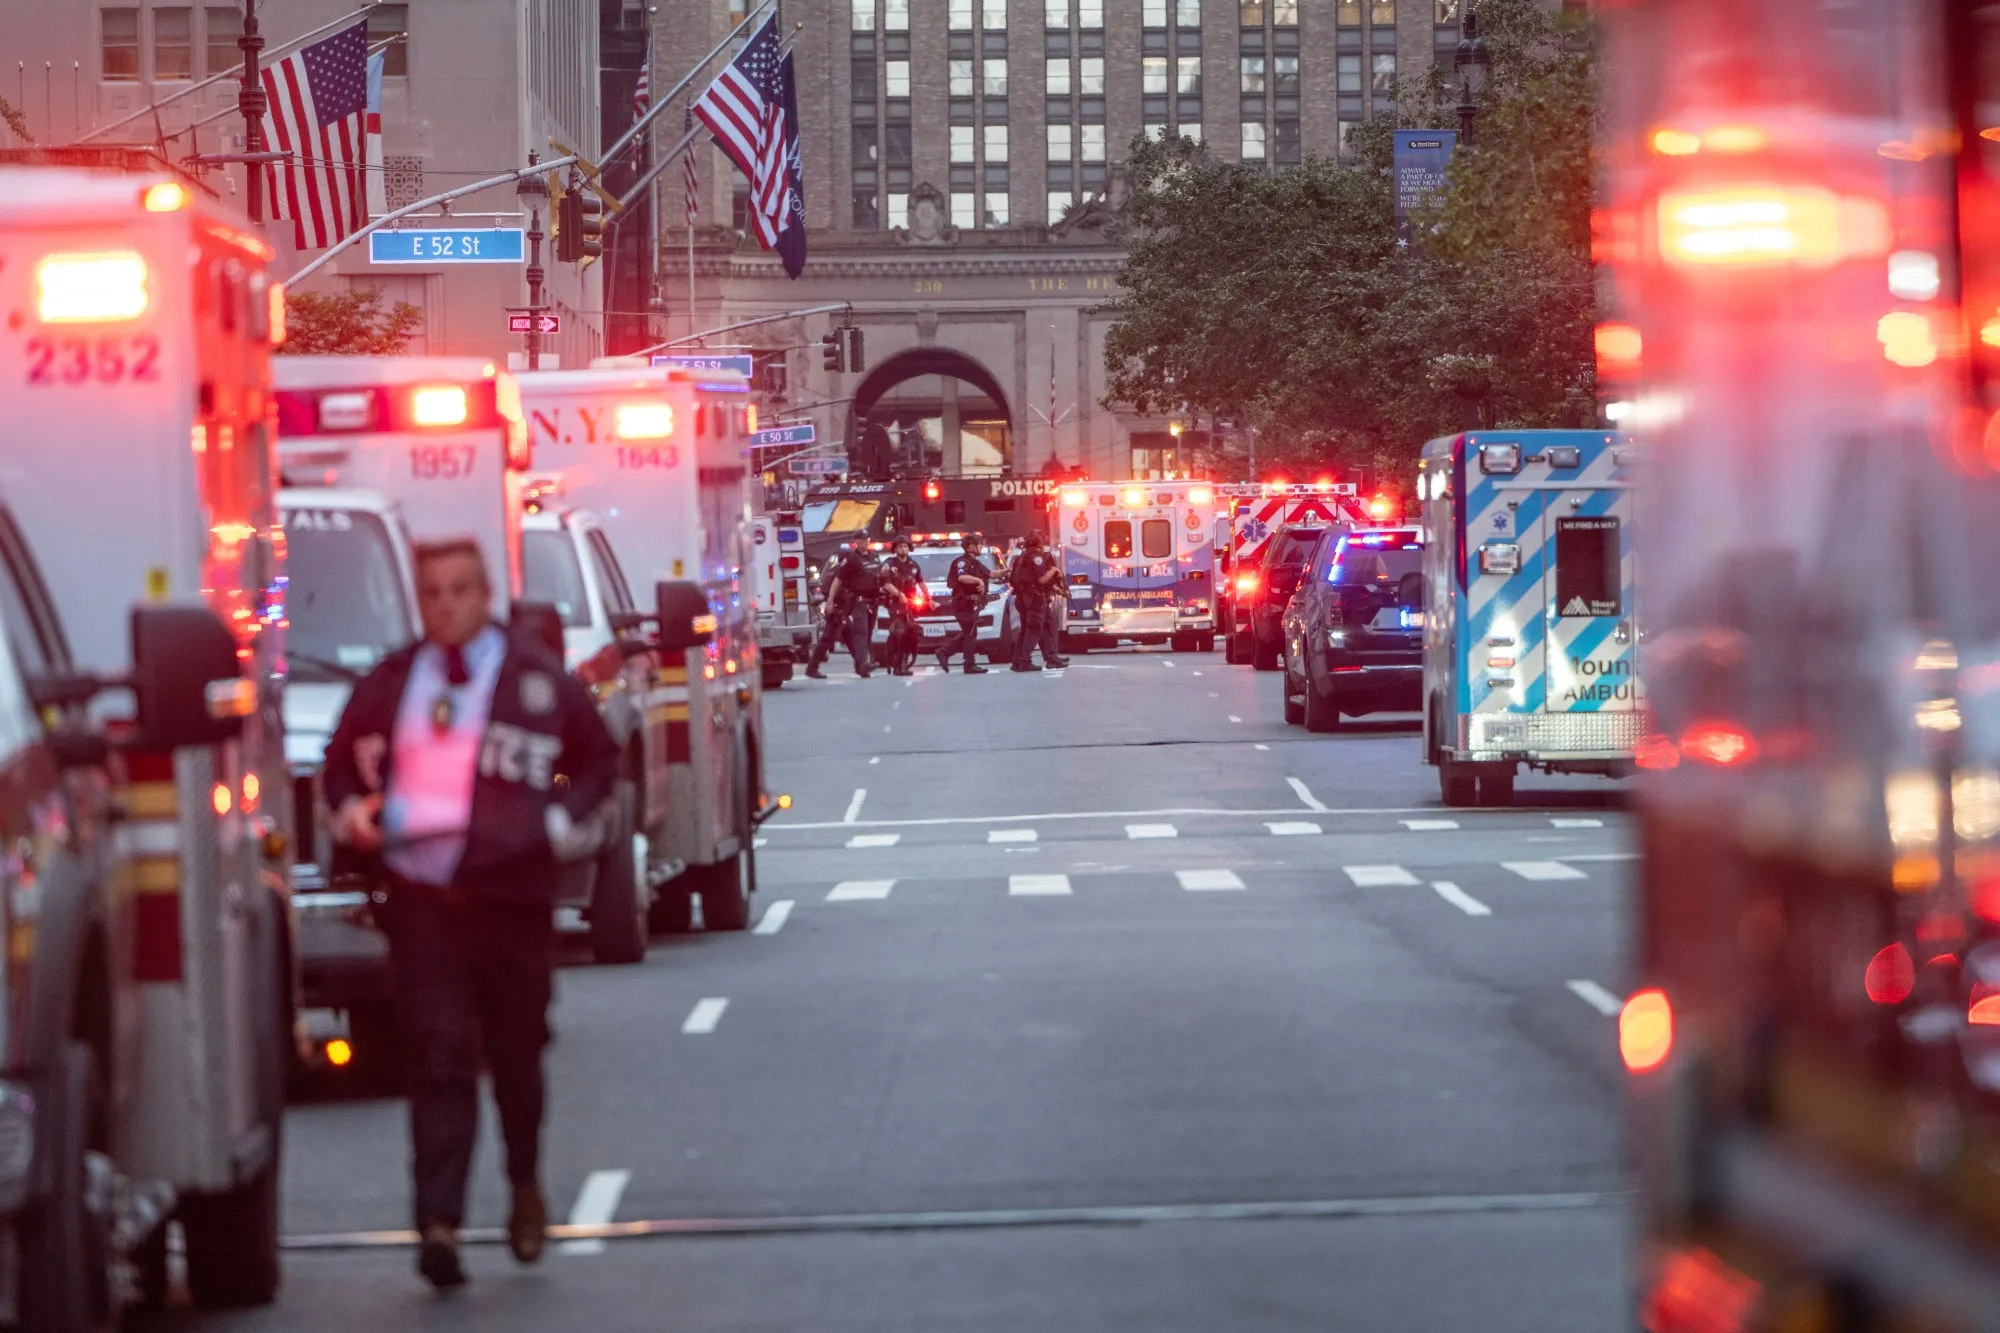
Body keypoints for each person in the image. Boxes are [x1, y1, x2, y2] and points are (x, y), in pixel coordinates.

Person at [320, 538, 621, 1292]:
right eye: (432, 593)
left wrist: (557, 822)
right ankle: (439, 1222)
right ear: (417, 601)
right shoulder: (392, 681)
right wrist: (350, 813)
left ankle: (523, 1181)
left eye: (460, 589)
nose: (447, 604)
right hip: (424, 904)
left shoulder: (535, 680)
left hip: (511, 901)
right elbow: (335, 767)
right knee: (438, 1057)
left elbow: (598, 758)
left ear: (484, 592)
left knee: (516, 1058)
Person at [805, 541, 874, 679]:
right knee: (827, 639)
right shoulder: (839, 575)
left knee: (851, 637)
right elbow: (834, 592)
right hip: (838, 611)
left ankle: (861, 666)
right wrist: (833, 606)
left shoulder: (844, 573)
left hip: (843, 611)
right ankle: (812, 668)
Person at [1009, 530, 1065, 672]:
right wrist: (1054, 570)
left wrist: (1059, 590)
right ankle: (1025, 661)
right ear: (1039, 542)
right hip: (1034, 598)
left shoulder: (1021, 557)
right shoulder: (1036, 557)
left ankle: (1019, 662)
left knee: (1027, 630)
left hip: (1023, 598)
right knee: (1034, 630)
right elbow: (1041, 580)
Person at [937, 533, 992, 674]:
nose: (981, 547)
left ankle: (944, 652)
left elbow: (991, 574)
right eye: (979, 544)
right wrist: (978, 581)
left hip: (969, 604)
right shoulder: (962, 562)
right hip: (962, 603)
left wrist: (1008, 572)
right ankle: (968, 664)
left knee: (969, 632)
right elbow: (962, 577)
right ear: (971, 546)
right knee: (971, 634)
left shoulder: (975, 562)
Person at [879, 537, 925, 675]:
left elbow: (920, 582)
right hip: (895, 604)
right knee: (899, 633)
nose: (903, 549)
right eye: (900, 547)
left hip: (911, 605)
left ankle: (903, 665)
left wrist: (929, 599)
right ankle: (896, 664)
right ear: (895, 549)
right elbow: (886, 584)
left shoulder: (913, 564)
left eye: (905, 546)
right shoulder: (889, 564)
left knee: (910, 634)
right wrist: (900, 595)